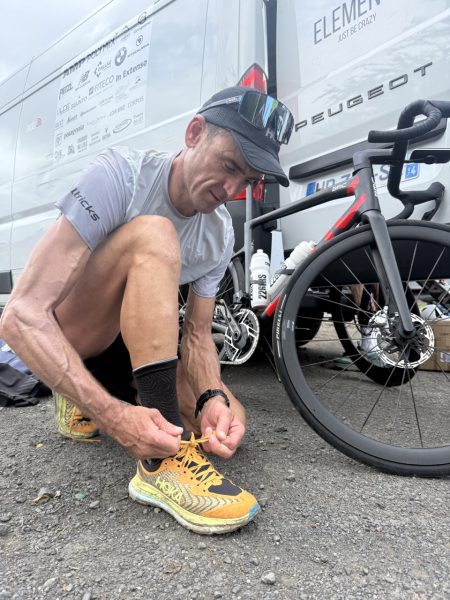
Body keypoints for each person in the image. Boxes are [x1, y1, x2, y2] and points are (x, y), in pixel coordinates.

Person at [0, 86, 293, 535]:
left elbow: (198, 337)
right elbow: (21, 315)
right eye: (230, 166)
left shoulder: (218, 234)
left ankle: (137, 405)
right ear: (194, 133)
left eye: (248, 180)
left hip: (139, 344)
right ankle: (158, 465)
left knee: (229, 421)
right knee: (155, 234)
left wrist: (211, 397)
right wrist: (115, 419)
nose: (233, 190)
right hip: (80, 332)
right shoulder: (120, 176)